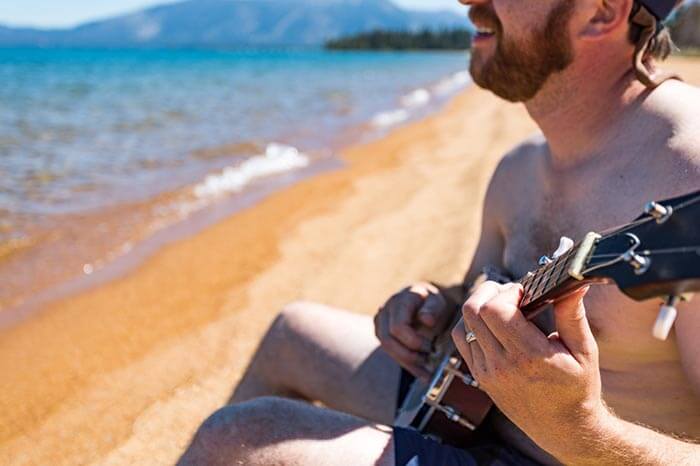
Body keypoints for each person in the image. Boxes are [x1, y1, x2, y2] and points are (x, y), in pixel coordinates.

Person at [178, 0, 700, 464]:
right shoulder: (519, 168)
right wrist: (431, 307)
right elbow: (472, 292)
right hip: (471, 412)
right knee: (291, 333)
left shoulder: (688, 174)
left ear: (602, 12)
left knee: (240, 435)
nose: (467, 1)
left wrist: (583, 428)